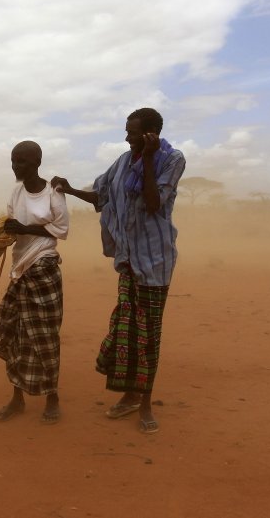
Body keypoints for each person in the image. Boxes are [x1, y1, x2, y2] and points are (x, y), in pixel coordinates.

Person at [52, 107, 185, 435]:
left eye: (133, 132)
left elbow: (154, 203)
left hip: (154, 263)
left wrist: (150, 159)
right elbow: (101, 195)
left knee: (149, 336)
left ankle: (146, 403)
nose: (126, 137)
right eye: (127, 131)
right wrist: (69, 190)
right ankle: (128, 395)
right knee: (127, 332)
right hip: (128, 261)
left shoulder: (172, 159)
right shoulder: (123, 162)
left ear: (151, 133)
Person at [0, 141, 69, 425]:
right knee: (16, 334)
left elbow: (61, 229)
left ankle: (52, 397)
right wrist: (4, 235)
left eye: (21, 161)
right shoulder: (16, 192)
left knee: (45, 337)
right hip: (19, 269)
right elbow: (12, 224)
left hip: (44, 269)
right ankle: (17, 398)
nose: (15, 167)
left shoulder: (53, 194)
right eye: (13, 161)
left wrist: (24, 229)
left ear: (36, 162)